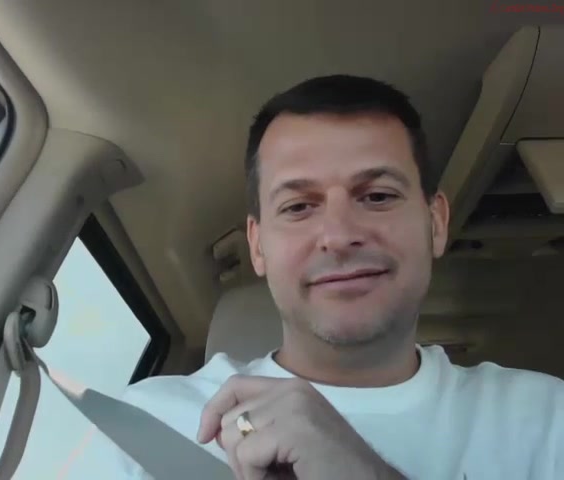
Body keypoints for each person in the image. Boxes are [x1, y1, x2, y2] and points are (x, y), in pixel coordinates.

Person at [78, 75, 563, 479]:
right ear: (258, 245)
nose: (339, 235)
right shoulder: (151, 426)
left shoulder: (547, 420)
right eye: (298, 207)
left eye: (377, 196)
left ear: (435, 223)